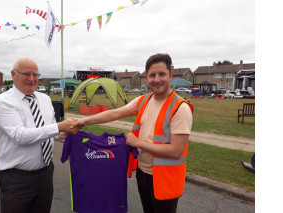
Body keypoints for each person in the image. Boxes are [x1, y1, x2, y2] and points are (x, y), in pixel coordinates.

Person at [71, 53, 193, 213]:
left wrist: (138, 143)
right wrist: (83, 121)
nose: (157, 79)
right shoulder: (143, 101)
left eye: (162, 74)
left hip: (166, 179)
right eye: (152, 75)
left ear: (170, 75)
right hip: (143, 173)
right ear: (146, 77)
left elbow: (175, 151)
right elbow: (114, 113)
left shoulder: (180, 108)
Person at [0, 57, 80, 213]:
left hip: (45, 173)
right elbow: (20, 136)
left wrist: (61, 133)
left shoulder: (45, 99)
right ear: (13, 74)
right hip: (16, 178)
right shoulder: (3, 102)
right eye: (26, 74)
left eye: (35, 74)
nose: (32, 79)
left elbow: (48, 130)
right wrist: (58, 126)